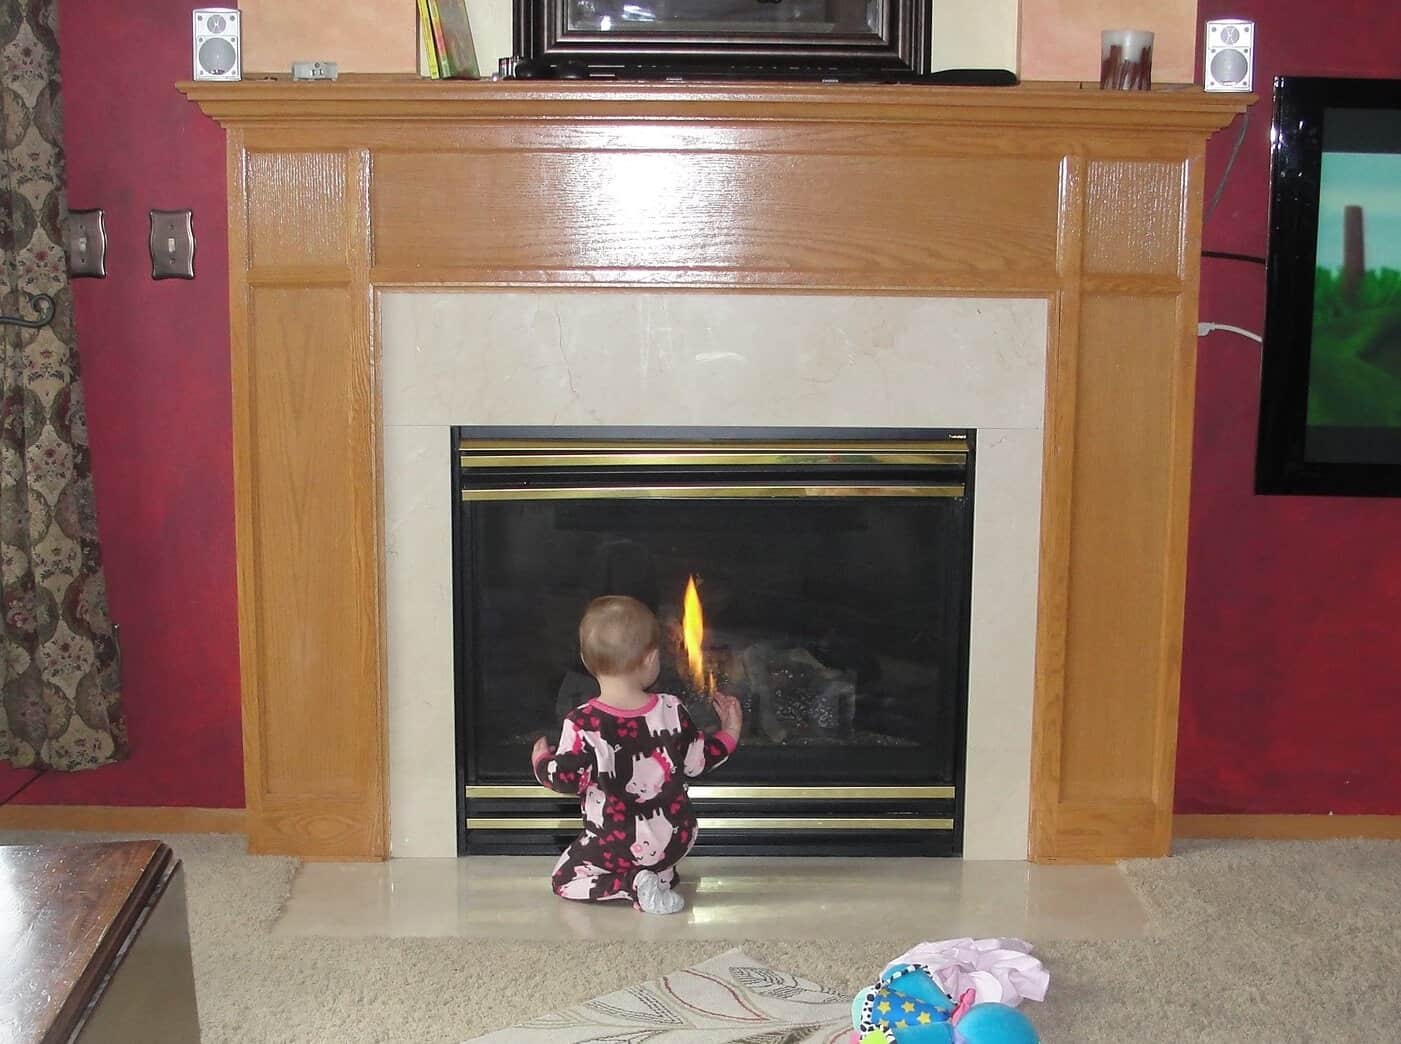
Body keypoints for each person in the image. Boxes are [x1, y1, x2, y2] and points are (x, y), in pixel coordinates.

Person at [532, 594, 742, 914]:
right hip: (675, 837)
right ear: (651, 658)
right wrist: (730, 731)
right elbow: (699, 760)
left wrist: (541, 762)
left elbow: (566, 779)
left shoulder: (582, 722)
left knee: (564, 879)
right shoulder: (671, 709)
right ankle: (658, 875)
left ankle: (631, 885)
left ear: (586, 661)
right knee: (654, 850)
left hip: (617, 844)